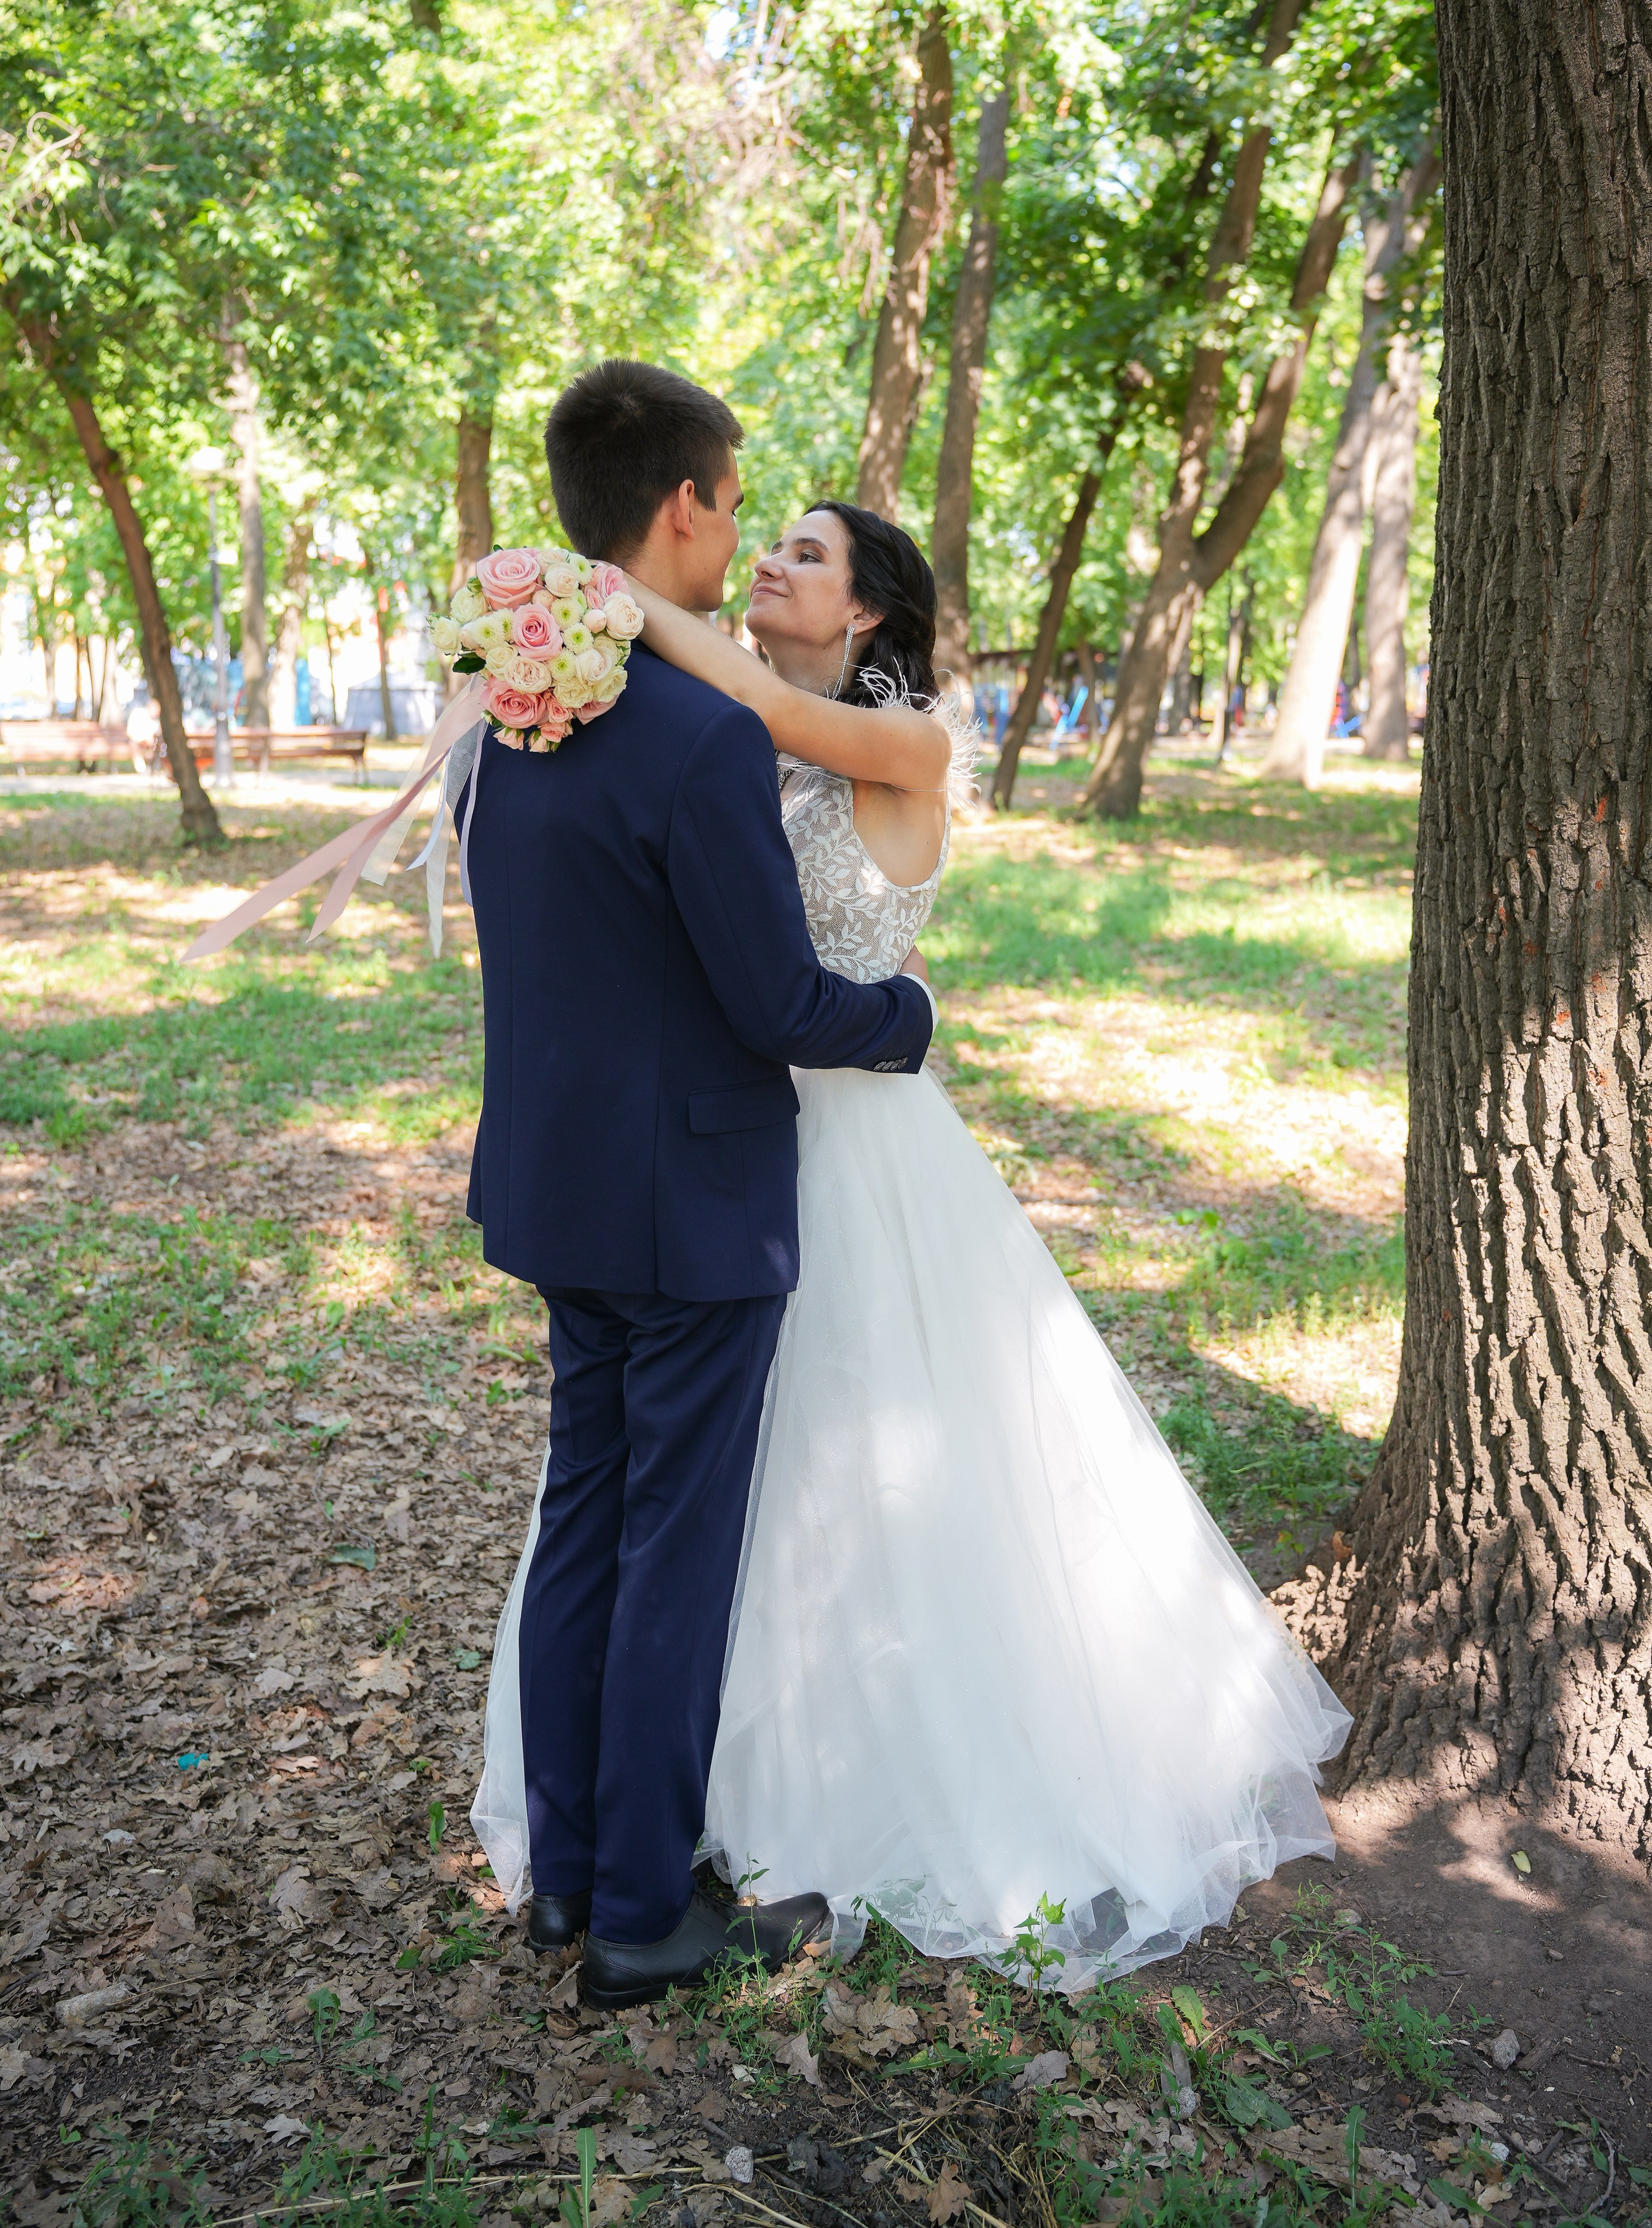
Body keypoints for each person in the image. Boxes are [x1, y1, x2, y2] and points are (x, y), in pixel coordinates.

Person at [474, 471, 1351, 1994]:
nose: (770, 564)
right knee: (696, 1509)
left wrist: (597, 606)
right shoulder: (712, 743)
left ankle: (796, 1805)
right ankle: (648, 1841)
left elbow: (752, 705)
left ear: (868, 608)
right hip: (715, 1140)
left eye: (807, 554)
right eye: (766, 541)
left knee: (851, 1471)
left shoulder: (896, 739)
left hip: (847, 1141)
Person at [462, 361, 936, 2012]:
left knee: (583, 1525)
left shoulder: (514, 709)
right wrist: (914, 1019)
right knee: (669, 1552)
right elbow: (780, 1008)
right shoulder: (694, 735)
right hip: (693, 1208)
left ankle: (566, 1879)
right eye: (734, 504)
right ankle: (645, 1914)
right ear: (682, 508)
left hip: (552, 1191)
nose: (740, 533)